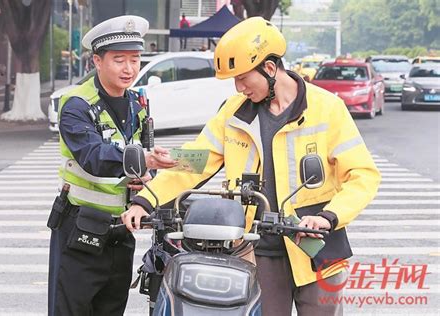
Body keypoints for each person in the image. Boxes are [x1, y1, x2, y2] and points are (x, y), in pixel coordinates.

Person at [123, 17, 381, 315]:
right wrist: (145, 200)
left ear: (269, 69)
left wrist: (329, 217)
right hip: (257, 250)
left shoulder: (327, 108)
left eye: (243, 78)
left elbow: (363, 175)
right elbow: (196, 160)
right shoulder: (234, 113)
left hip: (315, 247)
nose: (239, 87)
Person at [47, 15, 177, 316]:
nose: (129, 68)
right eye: (119, 60)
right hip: (80, 229)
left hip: (121, 230)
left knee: (112, 309)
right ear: (97, 61)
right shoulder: (76, 104)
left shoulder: (136, 104)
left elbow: (142, 158)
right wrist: (142, 160)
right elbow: (93, 155)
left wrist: (146, 174)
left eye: (135, 59)